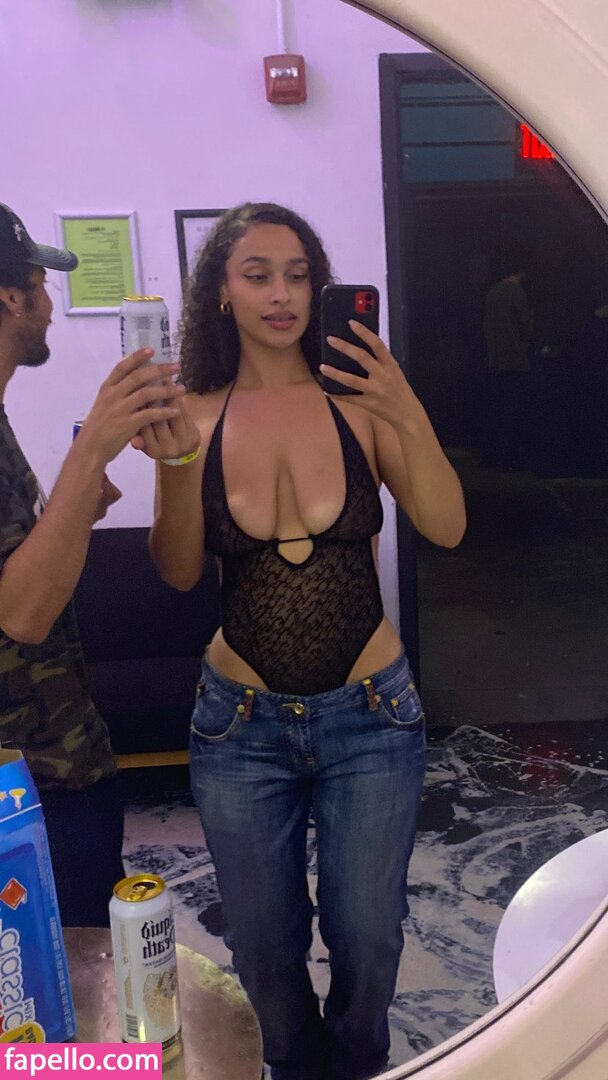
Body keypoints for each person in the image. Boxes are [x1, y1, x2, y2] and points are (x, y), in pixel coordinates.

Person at [139, 202, 466, 1080]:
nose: (281, 294)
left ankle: (357, 1064)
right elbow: (178, 571)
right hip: (239, 725)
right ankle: (290, 1066)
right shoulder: (192, 414)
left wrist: (405, 408)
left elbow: (447, 526)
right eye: (257, 275)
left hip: (372, 715)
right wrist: (173, 465)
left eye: (297, 275)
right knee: (262, 943)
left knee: (369, 932)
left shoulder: (359, 405)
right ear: (221, 292)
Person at [0, 202, 185, 926]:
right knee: (58, 976)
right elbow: (23, 613)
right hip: (27, 784)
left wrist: (77, 506)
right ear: (10, 297)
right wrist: (91, 450)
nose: (50, 305)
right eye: (40, 286)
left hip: (59, 762)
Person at [482, 266, 534, 469]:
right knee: (514, 411)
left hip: (494, 360)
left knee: (497, 410)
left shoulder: (493, 292)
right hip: (515, 360)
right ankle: (510, 458)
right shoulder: (516, 292)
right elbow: (525, 323)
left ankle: (493, 456)